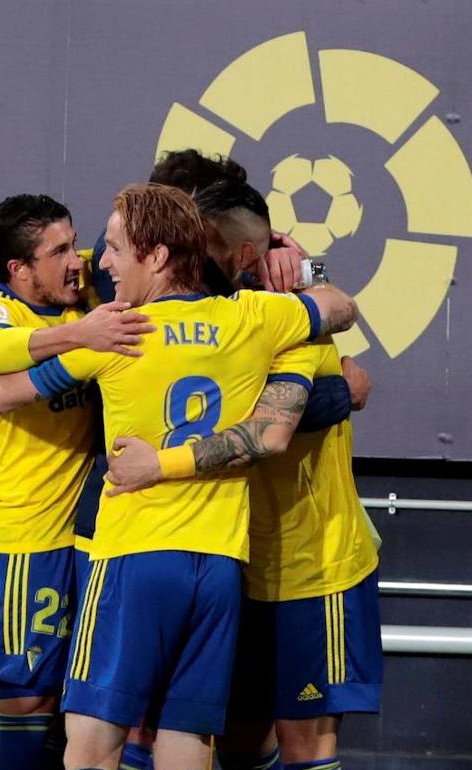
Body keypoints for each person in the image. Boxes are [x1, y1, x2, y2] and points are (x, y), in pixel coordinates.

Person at [0, 183, 359, 769]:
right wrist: (293, 257)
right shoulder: (254, 317)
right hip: (221, 566)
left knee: (92, 748)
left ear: (157, 256)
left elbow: (1, 385)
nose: (103, 262)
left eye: (116, 247)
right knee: (186, 742)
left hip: (132, 558)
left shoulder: (120, 333)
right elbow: (341, 306)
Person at [107, 178, 383, 770]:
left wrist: (301, 261)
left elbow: (300, 411)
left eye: (202, 247)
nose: (189, 260)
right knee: (226, 738)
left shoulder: (278, 319)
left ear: (242, 256)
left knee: (305, 743)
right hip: (226, 564)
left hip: (309, 566)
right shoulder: (159, 320)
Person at [0, 193, 152, 769]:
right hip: (24, 543)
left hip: (92, 541)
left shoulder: (87, 289)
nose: (78, 259)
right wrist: (82, 336)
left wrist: (279, 250)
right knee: (27, 713)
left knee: (102, 716)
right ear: (19, 269)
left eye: (76, 243)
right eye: (59, 250)